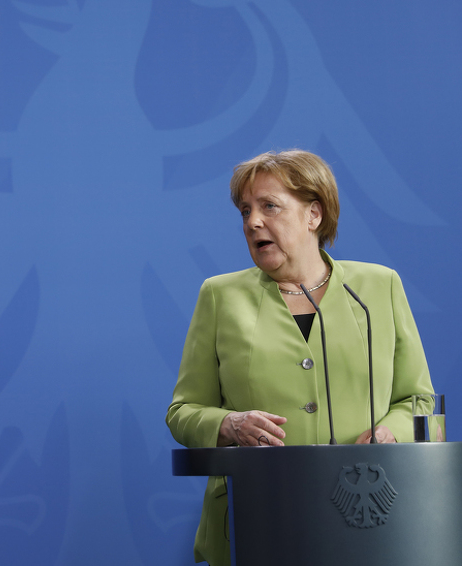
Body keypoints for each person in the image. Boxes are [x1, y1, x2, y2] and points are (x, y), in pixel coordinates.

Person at [165, 149, 433, 566]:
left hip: (367, 512)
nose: (253, 222)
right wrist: (229, 424)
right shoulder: (220, 296)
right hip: (258, 516)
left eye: (269, 206)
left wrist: (391, 433)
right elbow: (182, 412)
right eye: (245, 211)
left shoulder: (378, 288)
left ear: (314, 215)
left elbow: (418, 402)